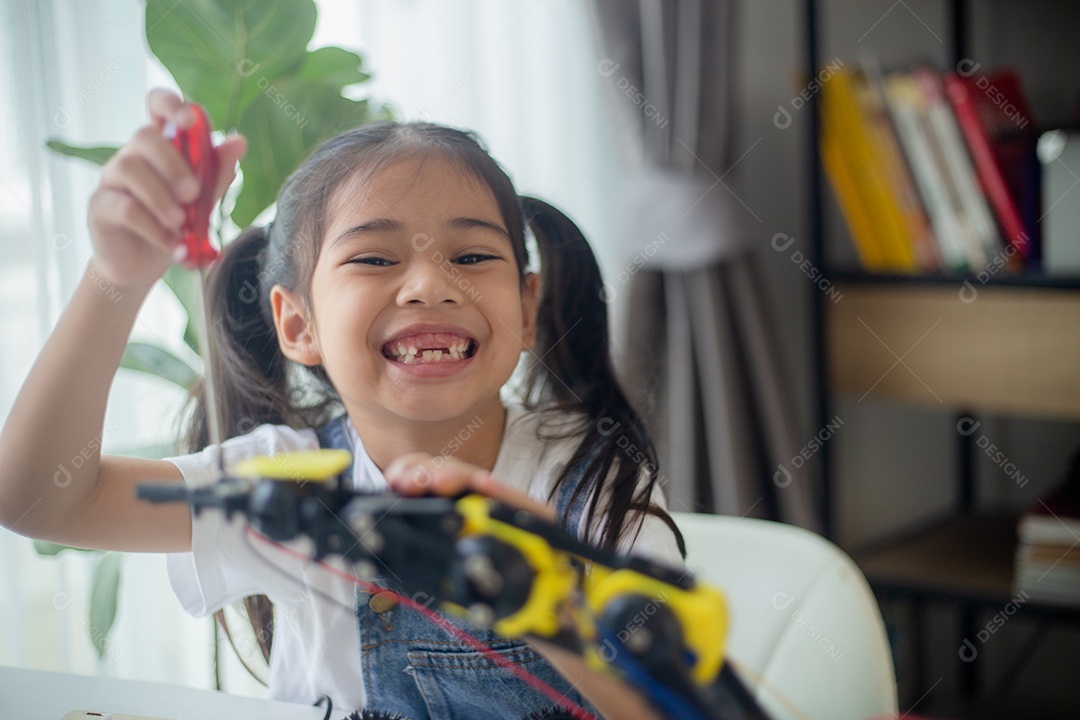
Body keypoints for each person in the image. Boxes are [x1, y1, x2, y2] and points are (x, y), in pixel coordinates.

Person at [0, 89, 684, 719]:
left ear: (527, 309)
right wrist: (117, 276)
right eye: (375, 259)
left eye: (472, 256)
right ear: (299, 325)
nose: (429, 285)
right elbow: (39, 501)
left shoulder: (594, 482)